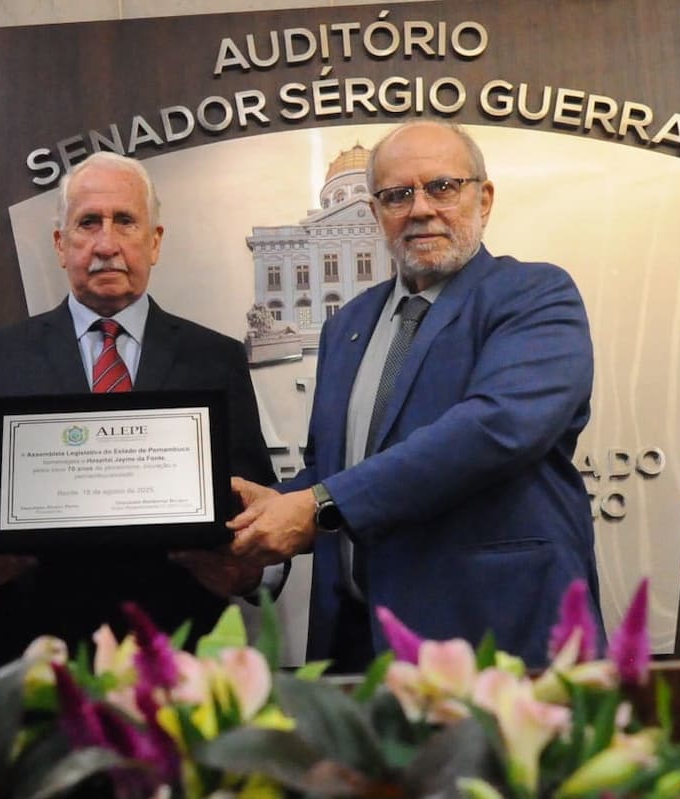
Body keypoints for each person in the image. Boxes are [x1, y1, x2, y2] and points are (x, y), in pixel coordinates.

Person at [229, 120, 603, 670]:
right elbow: (334, 467)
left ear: (485, 197)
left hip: (493, 638)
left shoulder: (534, 296)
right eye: (397, 195)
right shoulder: (347, 325)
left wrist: (317, 506)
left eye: (443, 187)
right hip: (358, 645)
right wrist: (258, 527)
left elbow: (494, 430)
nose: (420, 208)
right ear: (376, 214)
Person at [0, 151, 276, 669]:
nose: (106, 244)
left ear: (155, 241)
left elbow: (252, 491)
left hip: (180, 648)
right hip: (34, 651)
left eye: (125, 221)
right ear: (60, 244)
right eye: (87, 223)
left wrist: (248, 570)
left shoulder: (216, 357)